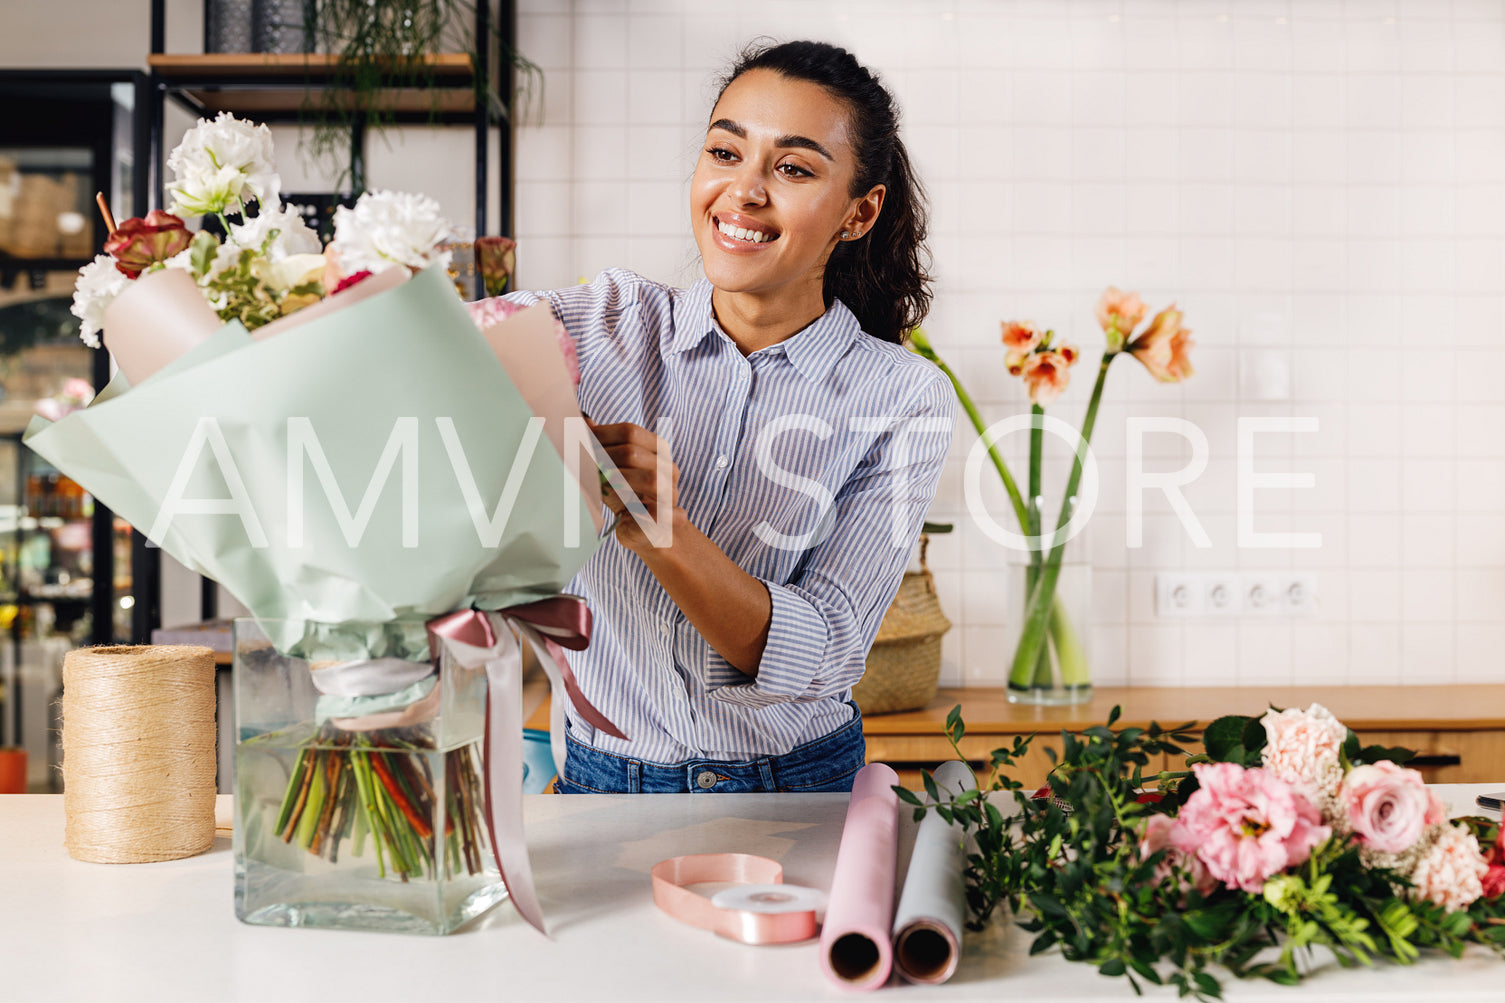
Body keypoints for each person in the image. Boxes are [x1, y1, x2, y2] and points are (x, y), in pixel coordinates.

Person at [498, 40, 955, 794]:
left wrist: (662, 528)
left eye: (794, 168)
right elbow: (426, 377)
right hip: (599, 782)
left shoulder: (900, 398)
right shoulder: (596, 325)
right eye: (724, 152)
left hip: (796, 787)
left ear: (859, 211)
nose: (743, 192)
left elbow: (829, 651)